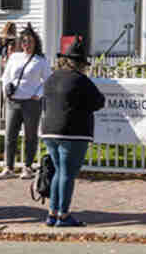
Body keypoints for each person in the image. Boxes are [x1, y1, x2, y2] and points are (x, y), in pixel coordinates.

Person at [40, 39, 106, 228]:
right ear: (80, 64)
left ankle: (52, 213)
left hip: (49, 130)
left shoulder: (51, 78)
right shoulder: (81, 80)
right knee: (67, 174)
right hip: (73, 132)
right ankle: (63, 214)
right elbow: (99, 102)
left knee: (58, 172)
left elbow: (44, 103)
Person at [0, 25, 49, 179]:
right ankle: (8, 167)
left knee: (30, 135)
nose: (27, 44)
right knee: (10, 134)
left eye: (30, 41)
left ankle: (27, 166)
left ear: (35, 43)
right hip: (14, 101)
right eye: (24, 41)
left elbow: (47, 80)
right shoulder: (14, 57)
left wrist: (38, 94)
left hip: (31, 102)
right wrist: (6, 91)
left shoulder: (40, 60)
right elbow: (6, 76)